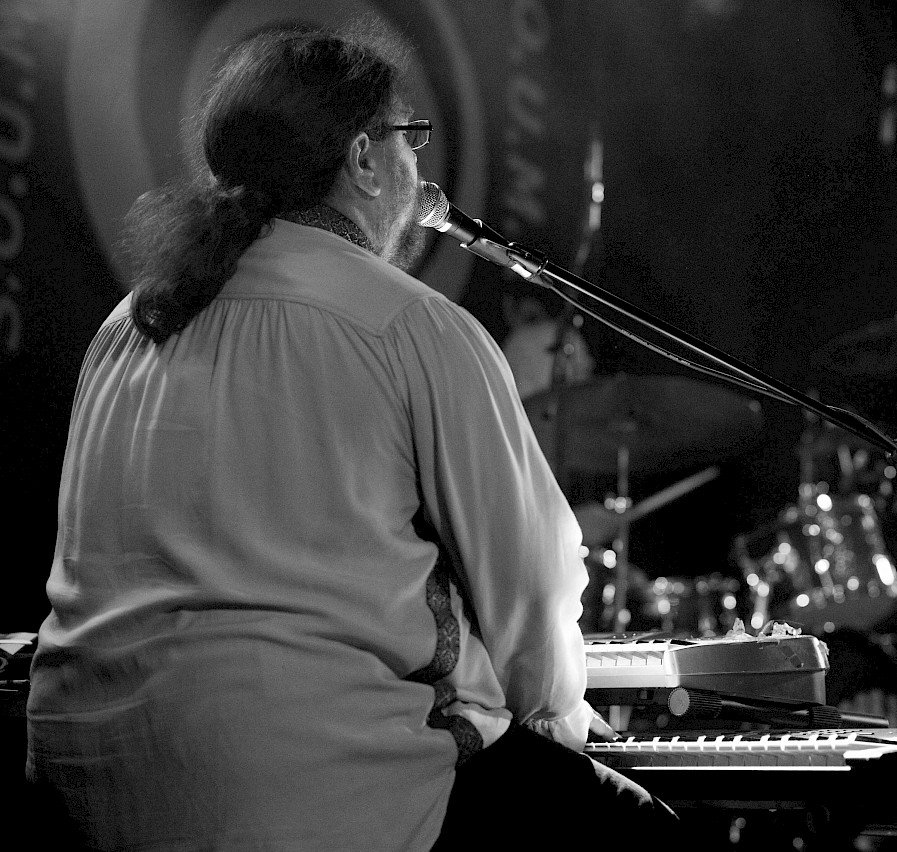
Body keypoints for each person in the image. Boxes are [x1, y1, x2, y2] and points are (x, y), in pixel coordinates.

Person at [24, 22, 681, 851]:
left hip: (87, 787)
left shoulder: (127, 325)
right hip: (308, 790)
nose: (420, 169)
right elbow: (534, 583)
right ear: (365, 159)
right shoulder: (411, 325)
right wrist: (558, 721)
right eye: (411, 137)